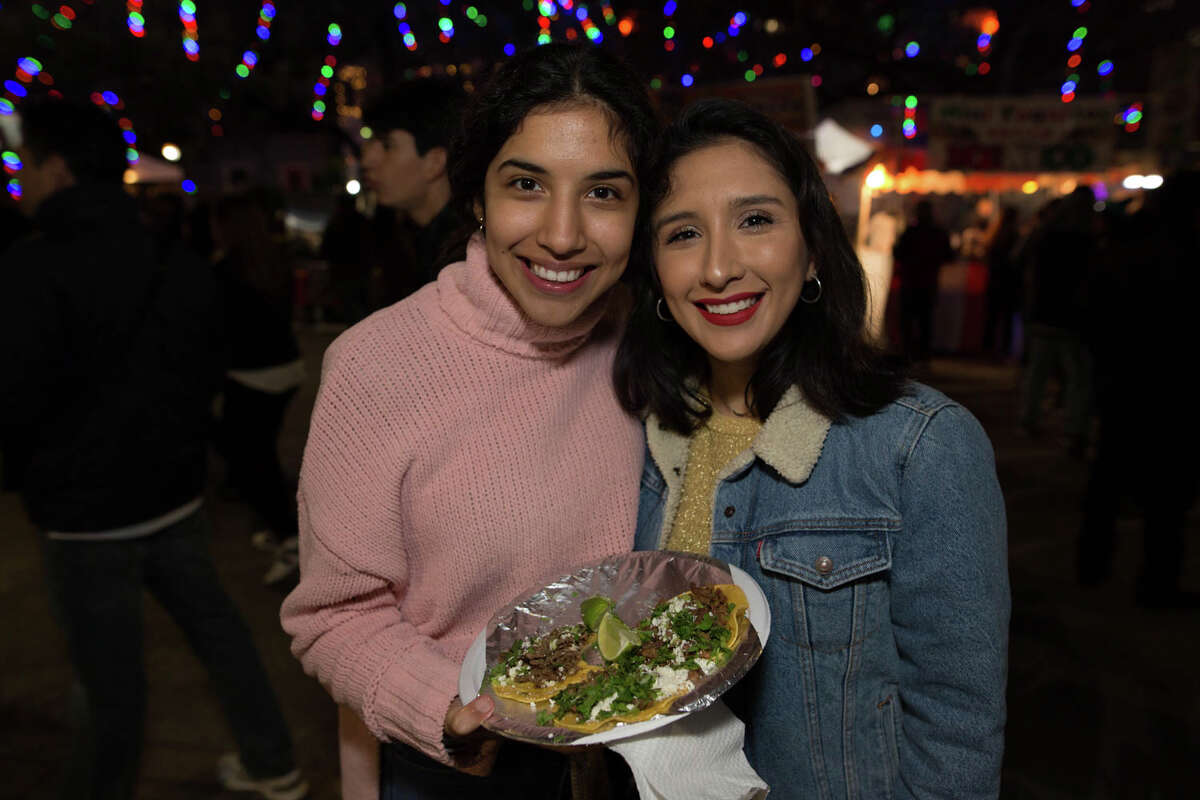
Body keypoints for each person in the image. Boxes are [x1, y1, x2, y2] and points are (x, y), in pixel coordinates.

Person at [280, 44, 659, 800]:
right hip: (460, 765)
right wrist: (449, 711)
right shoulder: (377, 365)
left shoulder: (655, 345)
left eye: (603, 193)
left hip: (635, 762)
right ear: (477, 196)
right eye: (526, 184)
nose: (562, 234)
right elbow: (333, 617)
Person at [613, 99, 1010, 797]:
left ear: (813, 246)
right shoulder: (638, 435)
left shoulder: (919, 446)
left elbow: (957, 724)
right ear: (655, 272)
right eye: (683, 233)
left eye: (755, 220)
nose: (717, 268)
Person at [0, 100, 307, 800]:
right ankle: (273, 760)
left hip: (84, 518)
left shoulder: (30, 266)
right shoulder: (173, 256)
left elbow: (15, 393)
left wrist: (32, 471)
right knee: (219, 632)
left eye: (25, 165)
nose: (20, 180)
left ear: (57, 168)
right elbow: (208, 363)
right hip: (173, 495)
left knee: (107, 682)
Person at [210, 190, 306, 586]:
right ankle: (283, 526)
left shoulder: (226, 269)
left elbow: (218, 330)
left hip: (252, 373)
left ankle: (290, 539)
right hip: (286, 366)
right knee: (258, 453)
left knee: (250, 460)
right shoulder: (273, 260)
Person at [360, 77, 467, 306]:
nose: (367, 160)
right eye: (370, 142)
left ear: (435, 162)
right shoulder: (403, 238)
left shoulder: (468, 257)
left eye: (387, 145)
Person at [1019, 187, 1096, 452]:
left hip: (1045, 313)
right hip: (1072, 317)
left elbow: (1021, 264)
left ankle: (1029, 418)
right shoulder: (1087, 239)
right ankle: (1074, 428)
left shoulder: (1045, 235)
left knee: (1039, 371)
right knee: (1077, 375)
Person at [893, 199, 954, 364]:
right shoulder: (938, 233)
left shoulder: (911, 232)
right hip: (928, 282)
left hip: (911, 281)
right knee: (925, 322)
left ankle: (908, 354)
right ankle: (924, 356)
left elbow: (898, 253)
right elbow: (949, 255)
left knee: (908, 321)